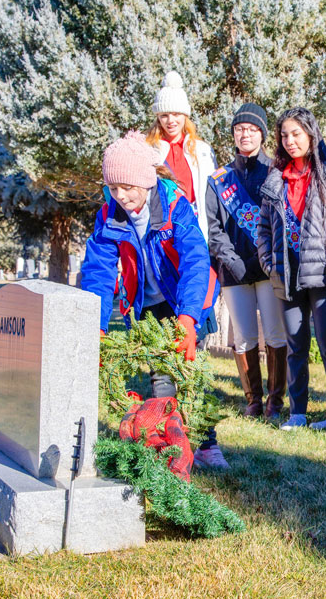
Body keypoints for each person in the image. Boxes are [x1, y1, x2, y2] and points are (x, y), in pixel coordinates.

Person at [80, 131, 227, 468]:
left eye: (127, 188)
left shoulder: (175, 205)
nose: (121, 196)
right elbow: (98, 272)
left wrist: (188, 318)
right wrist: (96, 328)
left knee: (190, 373)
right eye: (114, 188)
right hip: (147, 303)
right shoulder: (109, 215)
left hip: (185, 298)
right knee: (161, 376)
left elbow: (194, 260)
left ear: (145, 182)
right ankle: (168, 446)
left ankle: (206, 444)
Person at [256, 108, 326, 434]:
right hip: (287, 274)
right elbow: (264, 230)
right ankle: (297, 413)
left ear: (311, 134)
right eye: (284, 135)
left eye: (296, 133)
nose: (290, 140)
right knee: (296, 347)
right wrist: (270, 264)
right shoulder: (275, 178)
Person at [205, 103, 288, 421]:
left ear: (263, 135)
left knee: (276, 335)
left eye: (252, 129)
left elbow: (281, 222)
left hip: (268, 270)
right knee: (243, 337)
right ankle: (253, 399)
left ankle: (275, 400)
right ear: (233, 135)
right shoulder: (219, 179)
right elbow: (214, 229)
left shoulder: (275, 173)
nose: (245, 134)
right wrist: (234, 261)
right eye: (240, 129)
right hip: (234, 270)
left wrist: (262, 260)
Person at [147, 70, 216, 237]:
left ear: (185, 116)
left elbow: (211, 198)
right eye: (164, 115)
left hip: (195, 227)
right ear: (158, 118)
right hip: (162, 228)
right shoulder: (149, 150)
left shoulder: (202, 151)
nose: (171, 121)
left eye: (176, 114)